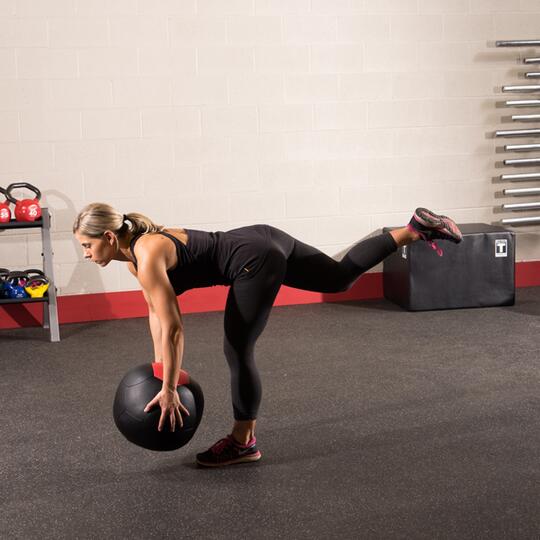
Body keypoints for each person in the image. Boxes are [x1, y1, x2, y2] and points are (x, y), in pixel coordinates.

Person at [73, 204, 462, 467]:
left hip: (253, 261)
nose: (86, 255)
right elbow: (157, 317)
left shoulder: (148, 253)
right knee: (339, 278)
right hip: (263, 236)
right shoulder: (139, 257)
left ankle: (244, 442)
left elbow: (174, 325)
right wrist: (160, 368)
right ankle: (413, 229)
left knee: (237, 348)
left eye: (88, 246)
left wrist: (171, 387)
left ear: (109, 237)